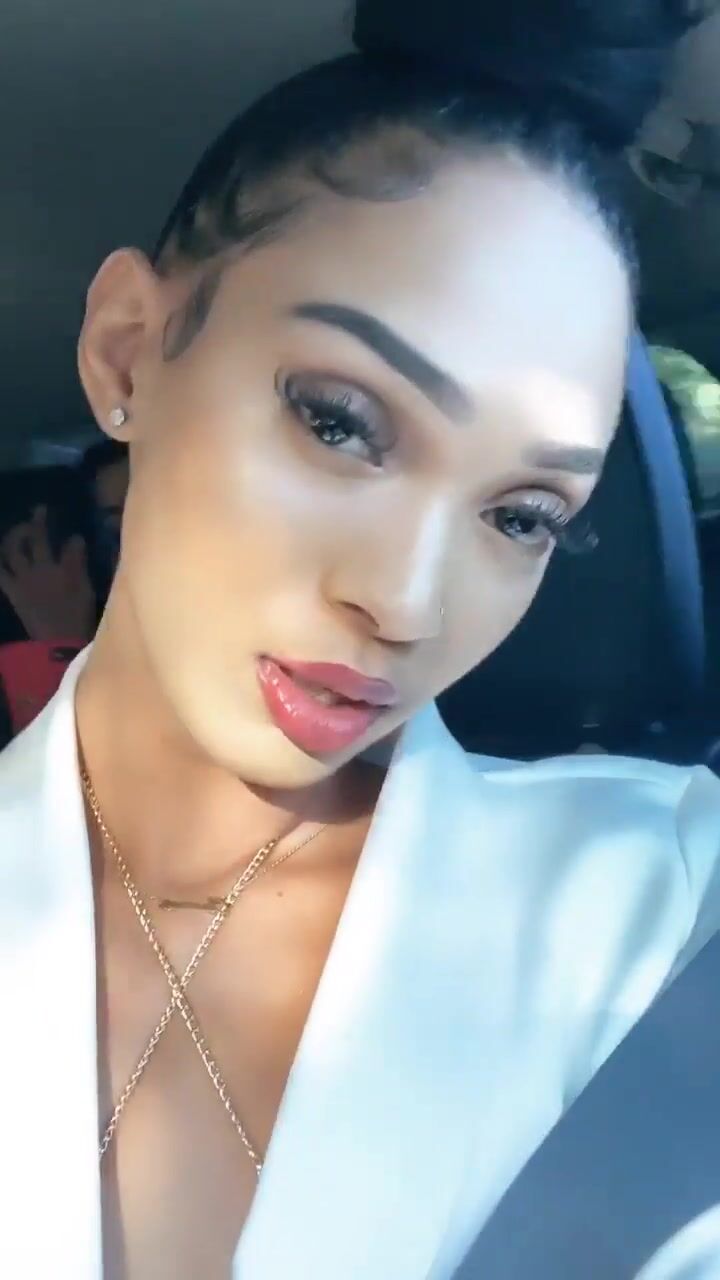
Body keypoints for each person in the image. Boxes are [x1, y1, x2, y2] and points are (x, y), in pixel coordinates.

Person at [0, 1, 714, 1277]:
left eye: (522, 514)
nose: (409, 603)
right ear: (128, 354)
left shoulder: (657, 908)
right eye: (339, 422)